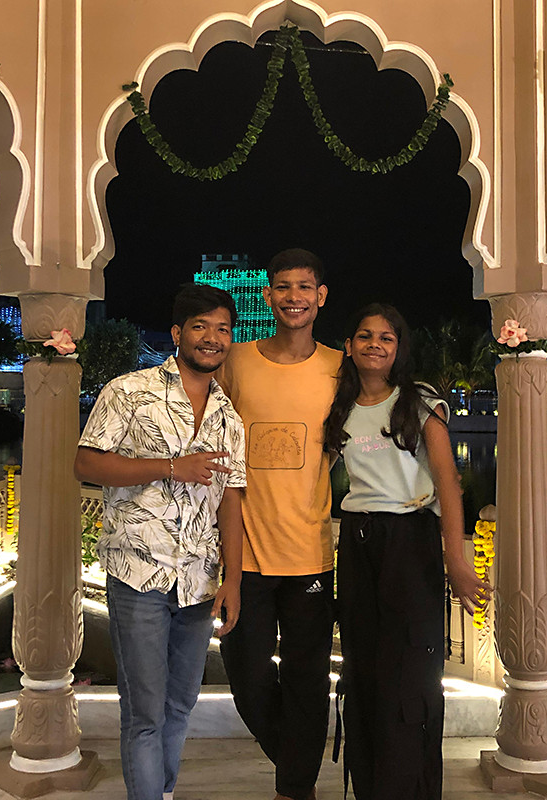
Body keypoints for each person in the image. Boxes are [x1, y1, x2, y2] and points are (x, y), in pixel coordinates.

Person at [74, 284, 246, 800]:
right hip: (137, 576)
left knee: (179, 705)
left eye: (222, 329)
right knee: (145, 713)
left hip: (198, 582)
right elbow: (87, 463)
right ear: (177, 333)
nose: (212, 337)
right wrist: (171, 467)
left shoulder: (229, 417)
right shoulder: (129, 391)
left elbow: (231, 501)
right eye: (200, 326)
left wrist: (233, 580)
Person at [323, 303, 491, 800]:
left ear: (399, 349)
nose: (374, 344)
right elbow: (314, 472)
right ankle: (369, 785)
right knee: (362, 666)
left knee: (411, 672)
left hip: (410, 542)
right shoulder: (340, 406)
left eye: (386, 338)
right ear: (349, 345)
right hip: (358, 542)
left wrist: (456, 560)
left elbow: (448, 481)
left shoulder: (418, 402)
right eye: (365, 336)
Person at [218, 248, 342, 800]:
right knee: (247, 679)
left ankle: (294, 789)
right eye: (283, 287)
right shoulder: (237, 360)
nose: (294, 297)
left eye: (305, 287)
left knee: (307, 682)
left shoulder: (340, 366)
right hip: (243, 557)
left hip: (310, 553)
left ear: (321, 296)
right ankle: (298, 769)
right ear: (267, 295)